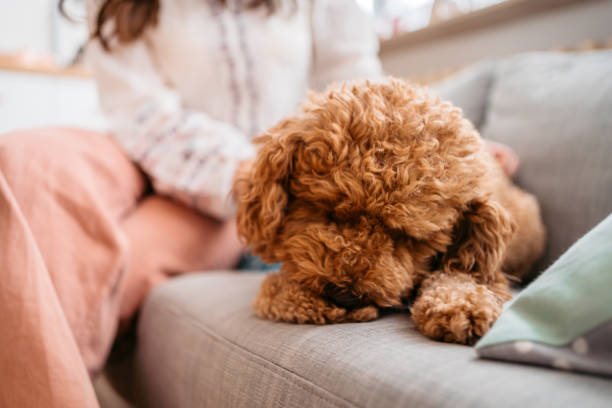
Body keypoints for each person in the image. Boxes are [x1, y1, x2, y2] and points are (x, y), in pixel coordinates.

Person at [0, 1, 518, 407]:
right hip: (160, 154)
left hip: (282, 176)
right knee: (24, 158)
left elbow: (358, 80)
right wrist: (263, 173)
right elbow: (141, 116)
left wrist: (445, 163)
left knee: (107, 269)